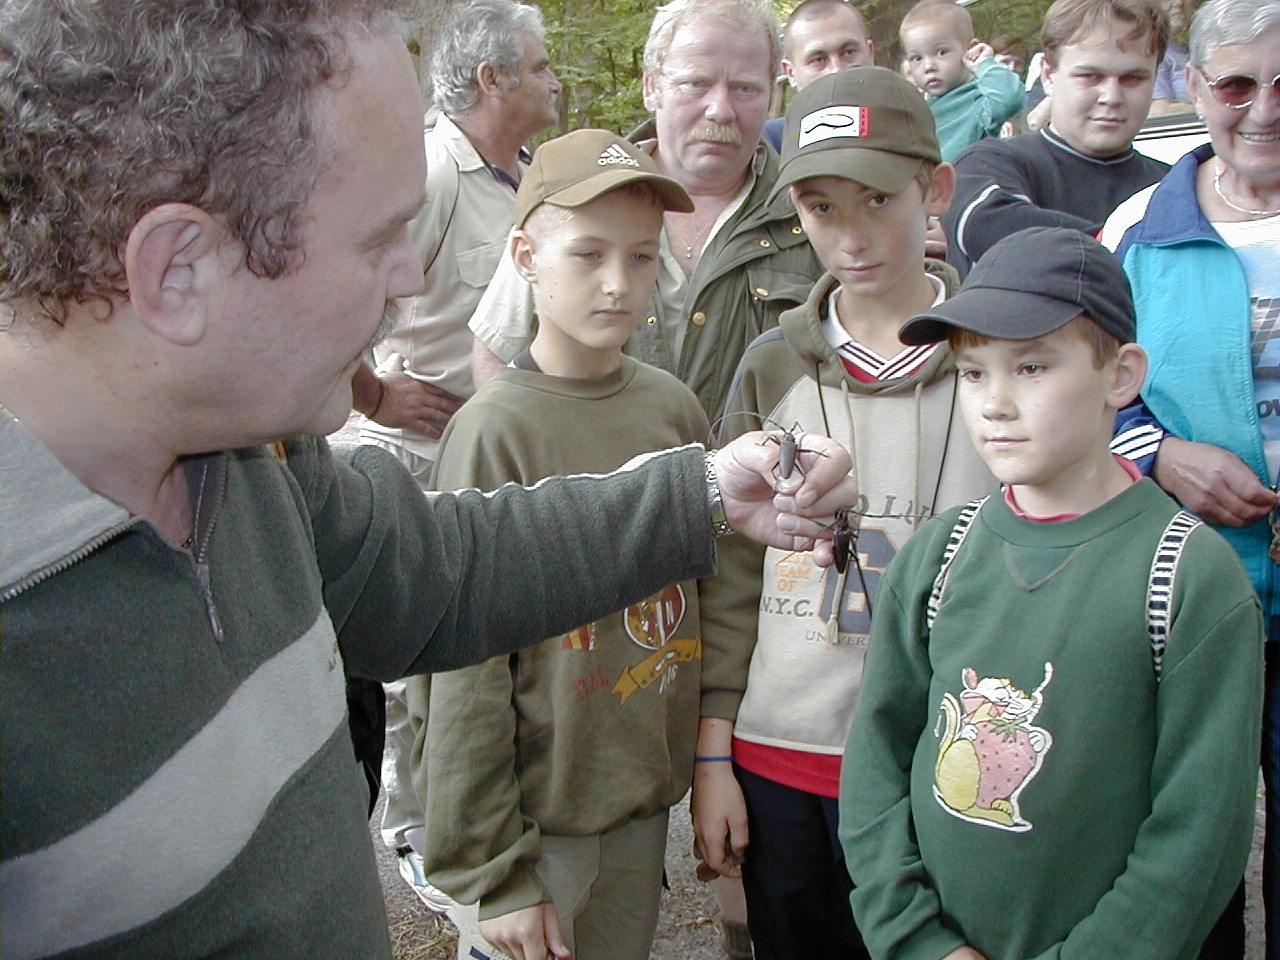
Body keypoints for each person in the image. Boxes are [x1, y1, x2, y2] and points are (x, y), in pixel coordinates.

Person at [0, 2, 861, 958]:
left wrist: (699, 492)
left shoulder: (264, 468)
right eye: (376, 240)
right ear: (178, 269)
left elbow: (441, 561)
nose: (412, 279)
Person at [839, 225, 1263, 960]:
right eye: (974, 373)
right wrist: (914, 938)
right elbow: (875, 763)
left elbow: (1201, 831)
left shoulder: (1189, 575)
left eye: (1031, 368)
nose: (994, 403)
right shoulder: (939, 556)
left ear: (1121, 375)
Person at [698, 67, 995, 960]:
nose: (852, 234)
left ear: (935, 189)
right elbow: (728, 574)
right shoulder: (769, 367)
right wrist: (714, 758)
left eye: (877, 198)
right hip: (783, 752)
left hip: (942, 761)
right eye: (824, 207)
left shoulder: (1001, 361)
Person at [407, 128, 711, 960]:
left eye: (642, 258)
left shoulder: (674, 412)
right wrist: (492, 868)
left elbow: (708, 601)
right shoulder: (492, 432)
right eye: (587, 254)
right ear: (526, 255)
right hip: (533, 831)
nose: (618, 284)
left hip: (637, 809)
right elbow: (461, 671)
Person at [353, 0, 562, 913]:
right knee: (407, 659)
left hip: (481, 455)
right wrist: (373, 393)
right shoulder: (433, 170)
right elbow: (350, 285)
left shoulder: (519, 178)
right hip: (406, 453)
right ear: (493, 80)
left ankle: (463, 809)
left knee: (471, 649)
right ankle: (410, 832)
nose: (555, 78)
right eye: (541, 63)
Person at [1103, 0, 1280, 954]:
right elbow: (1092, 383)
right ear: (1201, 88)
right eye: (1239, 84)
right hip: (1187, 592)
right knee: (1187, 829)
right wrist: (1161, 453)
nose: (1264, 110)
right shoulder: (1138, 226)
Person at [468, 0, 825, 426]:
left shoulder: (812, 213)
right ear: (651, 87)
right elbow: (496, 351)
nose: (720, 109)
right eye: (696, 83)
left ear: (774, 96)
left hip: (764, 488)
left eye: (746, 88)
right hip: (602, 488)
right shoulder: (575, 193)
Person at [943, 0, 1171, 276]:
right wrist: (1146, 249)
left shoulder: (1174, 185)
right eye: (1090, 76)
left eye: (1132, 78)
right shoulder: (990, 163)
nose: (1111, 97)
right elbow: (990, 228)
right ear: (1048, 74)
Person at [898, 0, 1025, 161]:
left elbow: (1010, 98)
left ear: (969, 48)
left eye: (941, 52)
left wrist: (984, 64)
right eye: (917, 58)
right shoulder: (922, 107)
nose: (928, 66)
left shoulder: (976, 99)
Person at [763, 0, 877, 151]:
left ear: (870, 53)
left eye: (849, 52)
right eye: (818, 60)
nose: (837, 70)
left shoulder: (907, 123)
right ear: (791, 73)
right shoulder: (772, 143)